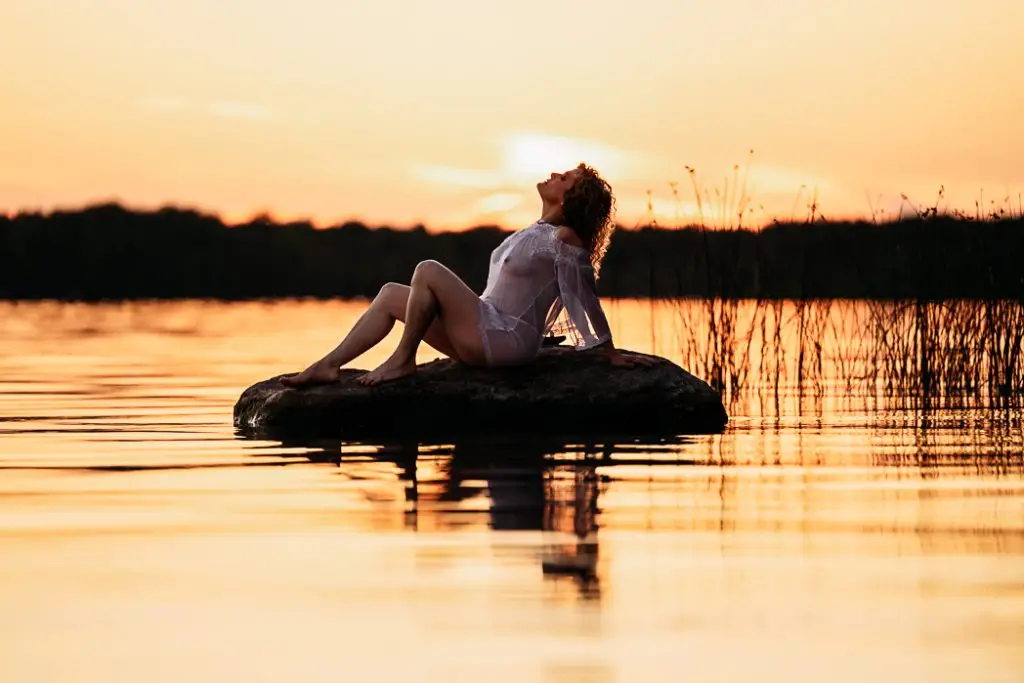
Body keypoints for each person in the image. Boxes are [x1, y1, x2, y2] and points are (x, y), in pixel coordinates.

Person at [281, 163, 653, 387]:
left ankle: (402, 360)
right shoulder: (533, 232)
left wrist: (608, 352)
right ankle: (328, 366)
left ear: (571, 199)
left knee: (427, 270)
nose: (555, 175)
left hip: (504, 339)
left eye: (565, 178)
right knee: (392, 293)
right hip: (486, 330)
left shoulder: (564, 236)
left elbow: (581, 293)